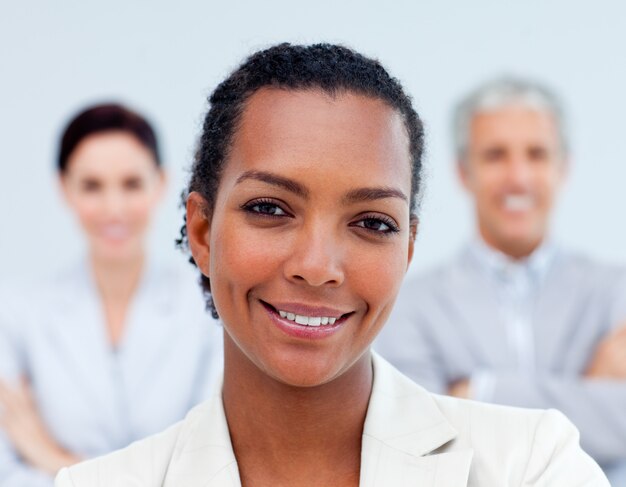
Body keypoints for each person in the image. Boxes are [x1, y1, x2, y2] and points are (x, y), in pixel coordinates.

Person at [55, 45, 607, 486]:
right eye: (270, 209)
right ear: (202, 231)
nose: (318, 267)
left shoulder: (532, 466)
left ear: (407, 249)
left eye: (373, 223)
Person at [375, 77, 626, 483]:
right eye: (495, 155)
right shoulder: (410, 303)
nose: (518, 176)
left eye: (537, 154)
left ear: (563, 167)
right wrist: (586, 398)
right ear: (463, 171)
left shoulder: (617, 290)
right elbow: (421, 445)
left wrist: (478, 393)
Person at [0, 104, 222, 485]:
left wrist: (53, 459)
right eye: (92, 186)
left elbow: (209, 466)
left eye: (131, 184)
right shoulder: (17, 314)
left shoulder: (208, 307)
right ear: (63, 188)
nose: (113, 208)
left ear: (161, 184)